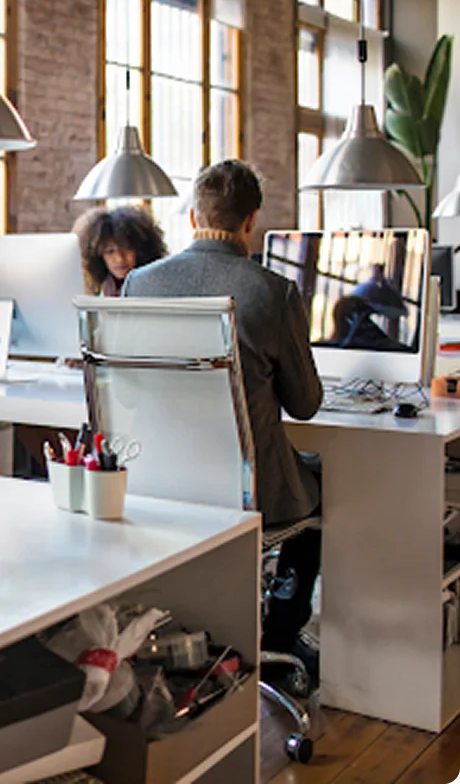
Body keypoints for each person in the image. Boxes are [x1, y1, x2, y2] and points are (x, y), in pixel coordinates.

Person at [121, 160, 323, 669]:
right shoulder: (273, 291)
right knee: (325, 476)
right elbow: (306, 404)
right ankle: (283, 629)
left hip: (160, 486)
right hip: (249, 492)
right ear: (251, 221)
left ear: (193, 217)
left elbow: (127, 397)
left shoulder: (139, 285)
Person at [72, 205, 169, 296]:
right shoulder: (102, 289)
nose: (119, 258)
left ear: (141, 250)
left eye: (127, 248)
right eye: (110, 251)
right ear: (97, 255)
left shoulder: (157, 287)